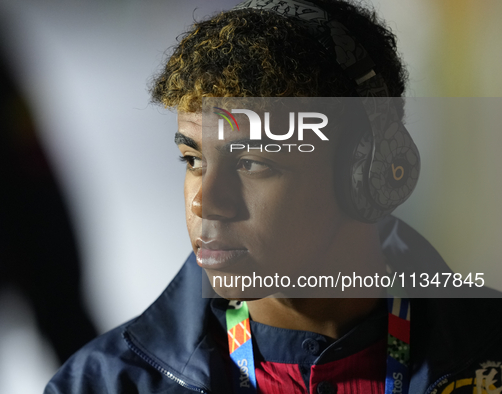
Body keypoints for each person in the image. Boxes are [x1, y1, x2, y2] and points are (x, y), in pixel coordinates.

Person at [44, 1, 502, 393]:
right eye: (194, 160)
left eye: (253, 163)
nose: (206, 202)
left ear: (368, 173)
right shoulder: (103, 384)